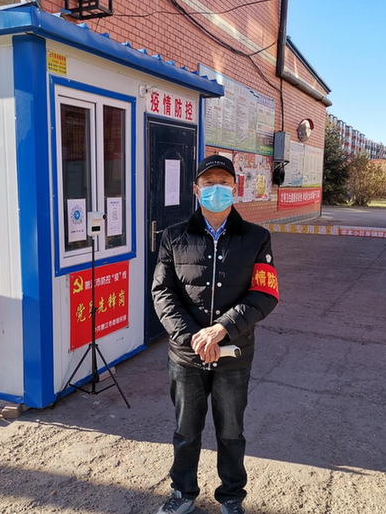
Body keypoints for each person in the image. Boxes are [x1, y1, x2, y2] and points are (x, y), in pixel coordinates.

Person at [152, 154, 280, 514]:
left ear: (234, 188)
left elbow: (265, 293)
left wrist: (222, 329)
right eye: (209, 183)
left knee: (231, 433)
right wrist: (193, 337)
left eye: (223, 182)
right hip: (186, 356)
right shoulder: (174, 237)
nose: (216, 189)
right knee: (185, 431)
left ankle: (232, 498)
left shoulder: (256, 238)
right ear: (196, 190)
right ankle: (183, 494)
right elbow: (162, 293)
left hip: (233, 355)